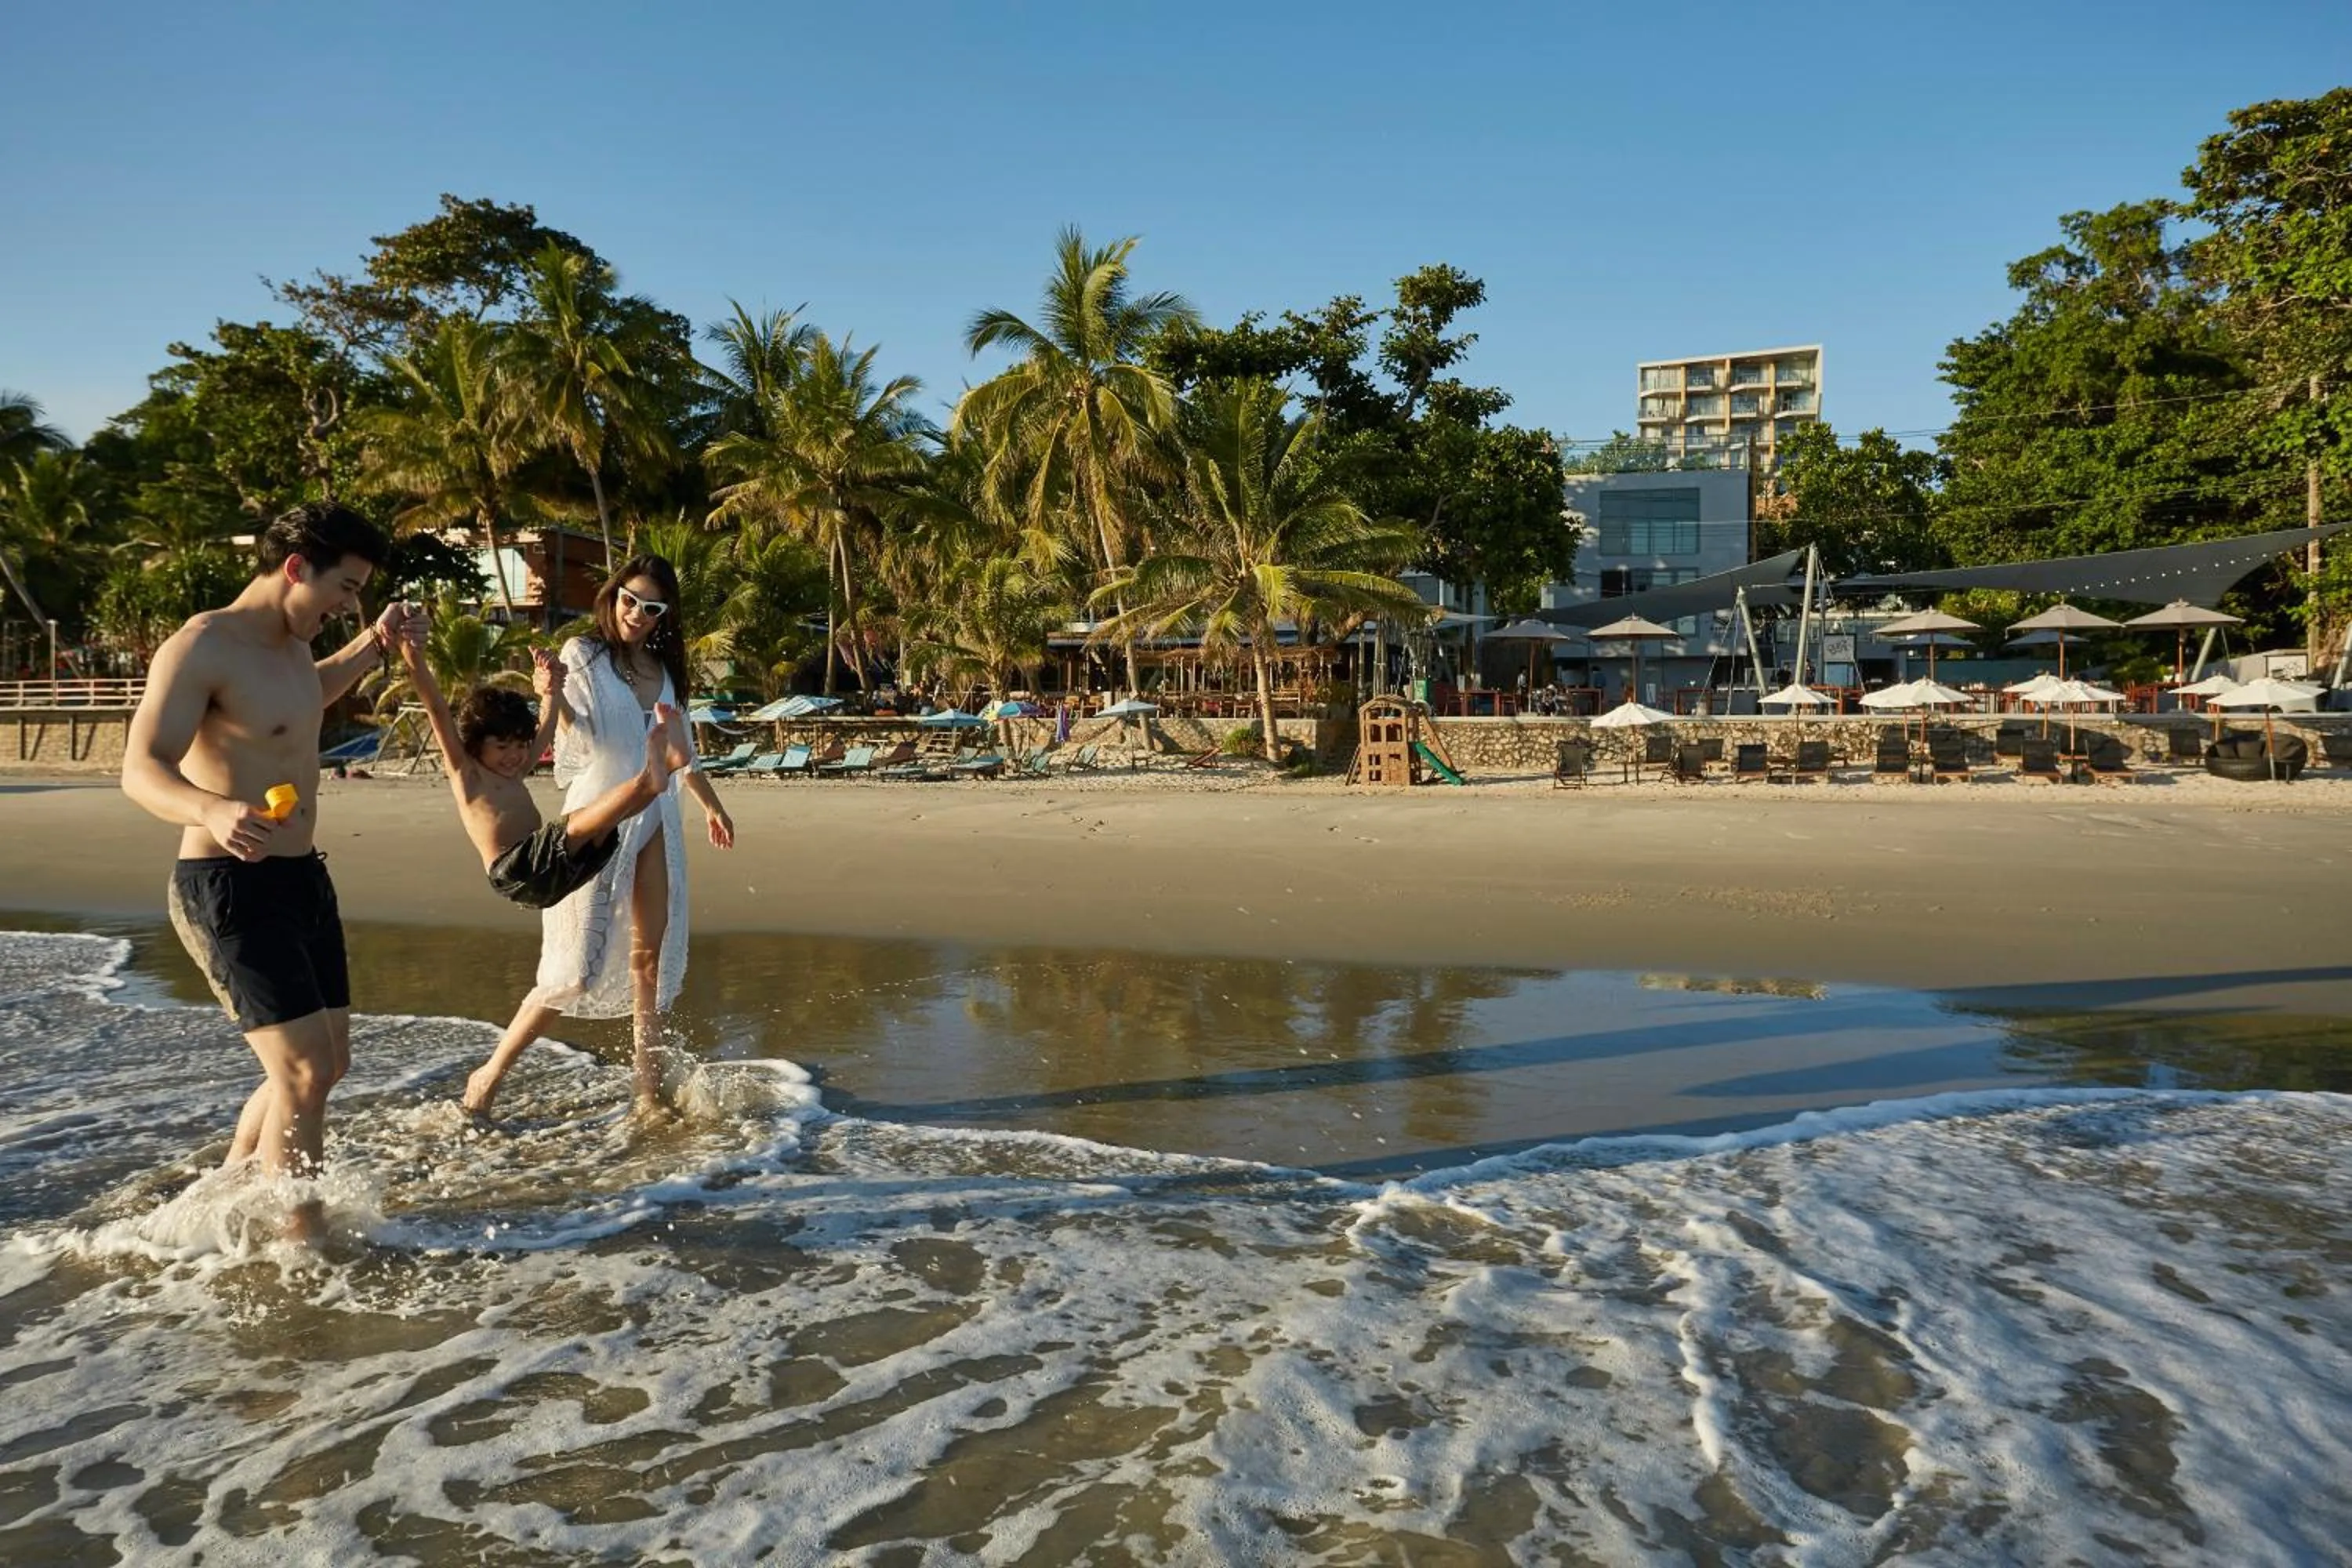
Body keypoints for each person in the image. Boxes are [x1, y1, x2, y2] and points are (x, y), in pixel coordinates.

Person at [120, 502, 425, 1240]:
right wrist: (210, 809)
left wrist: (372, 648)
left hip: (300, 879)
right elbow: (139, 769)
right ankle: (300, 1244)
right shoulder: (202, 645)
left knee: (328, 1063)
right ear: (295, 569)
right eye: (345, 589)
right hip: (227, 885)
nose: (349, 605)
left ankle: (230, 1185)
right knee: (303, 1073)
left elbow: (298, 703)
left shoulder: (291, 650)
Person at [462, 556, 735, 1119]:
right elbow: (574, 738)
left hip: (657, 816)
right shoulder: (584, 655)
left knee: (648, 959)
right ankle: (489, 1074)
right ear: (613, 598)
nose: (637, 613)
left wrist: (712, 806)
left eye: (651, 607)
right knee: (574, 969)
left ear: (665, 616)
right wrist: (550, 692)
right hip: (599, 810)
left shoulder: (667, 671)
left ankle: (645, 1091)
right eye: (629, 600)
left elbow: (684, 753)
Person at [396, 637, 693, 910]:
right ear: (475, 744)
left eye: (520, 746)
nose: (514, 756)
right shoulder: (468, 775)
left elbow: (548, 724)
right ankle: (649, 779)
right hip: (515, 872)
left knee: (606, 824)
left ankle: (663, 771)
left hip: (557, 872)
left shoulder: (515, 771)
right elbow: (436, 709)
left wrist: (551, 689)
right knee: (576, 825)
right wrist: (412, 655)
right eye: (502, 747)